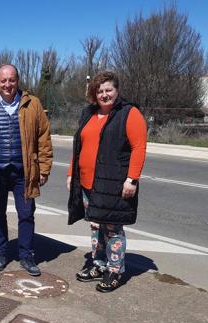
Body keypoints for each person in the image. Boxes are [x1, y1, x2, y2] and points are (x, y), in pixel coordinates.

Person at [0, 64, 53, 276]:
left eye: (12, 80)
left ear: (18, 81)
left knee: (26, 215)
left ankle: (26, 255)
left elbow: (44, 138)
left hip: (24, 172)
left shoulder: (32, 104)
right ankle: (2, 253)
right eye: (3, 80)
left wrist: (43, 169)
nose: (8, 84)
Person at [67, 71, 147, 293]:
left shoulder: (129, 114)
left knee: (112, 228)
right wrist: (70, 174)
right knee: (95, 226)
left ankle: (115, 270)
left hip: (112, 184)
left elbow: (138, 148)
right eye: (100, 91)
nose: (104, 95)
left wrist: (132, 179)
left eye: (108, 90)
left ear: (117, 90)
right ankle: (99, 264)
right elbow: (78, 147)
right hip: (86, 183)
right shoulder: (89, 114)